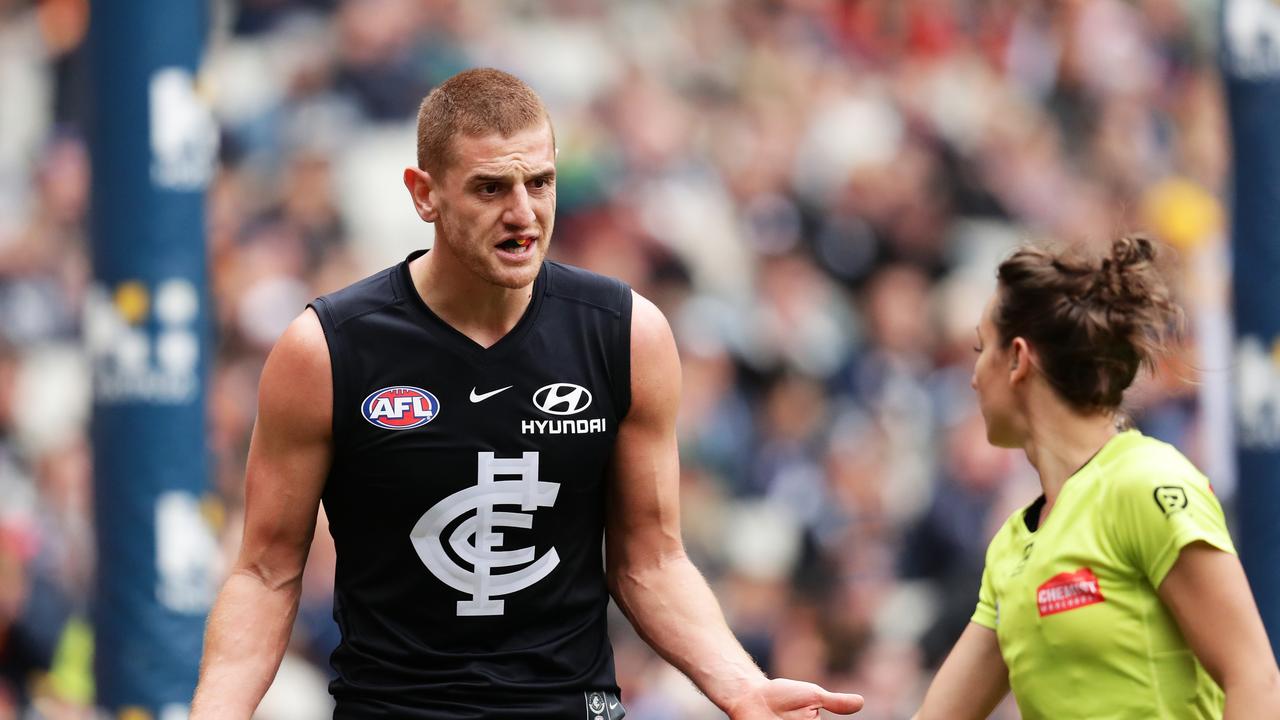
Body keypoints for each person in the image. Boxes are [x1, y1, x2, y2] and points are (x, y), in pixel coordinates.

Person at [191, 68, 864, 719]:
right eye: (489, 188)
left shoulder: (626, 334)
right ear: (423, 194)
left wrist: (742, 686)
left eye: (539, 182)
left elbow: (651, 561)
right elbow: (266, 572)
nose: (523, 214)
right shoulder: (328, 349)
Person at [913, 236, 1280, 719]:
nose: (974, 376)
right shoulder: (1010, 548)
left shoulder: (1145, 481)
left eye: (982, 348)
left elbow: (1254, 675)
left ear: (1019, 359)